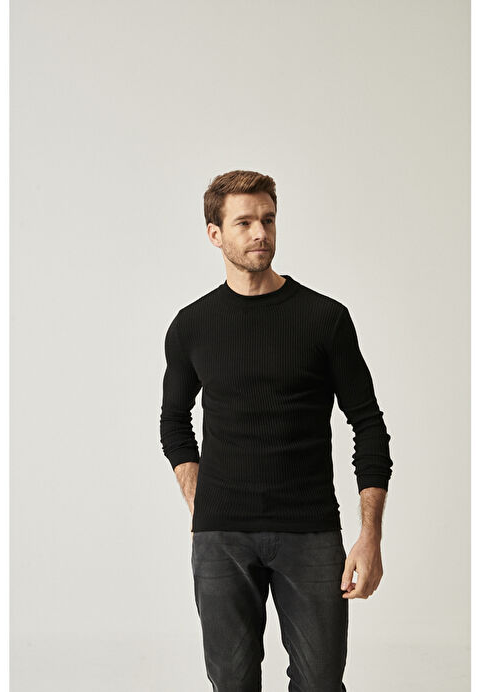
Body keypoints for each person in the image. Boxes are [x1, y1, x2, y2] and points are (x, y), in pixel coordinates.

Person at [159, 169, 394, 691]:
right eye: (244, 222)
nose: (260, 232)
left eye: (268, 219)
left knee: (321, 683)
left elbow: (368, 425)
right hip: (222, 537)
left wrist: (370, 535)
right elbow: (173, 421)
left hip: (310, 531)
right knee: (232, 683)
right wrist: (200, 500)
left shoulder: (324, 319)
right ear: (215, 233)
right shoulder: (192, 325)